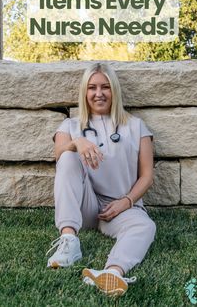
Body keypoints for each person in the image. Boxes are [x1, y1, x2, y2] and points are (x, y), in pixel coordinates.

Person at [46, 63, 156, 296]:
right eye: (92, 87)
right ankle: (68, 241)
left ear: (114, 90)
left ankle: (112, 272)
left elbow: (147, 176)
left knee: (145, 226)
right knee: (67, 157)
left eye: (105, 87)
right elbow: (59, 157)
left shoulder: (136, 126)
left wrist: (126, 201)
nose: (99, 93)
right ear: (84, 93)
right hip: (85, 205)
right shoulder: (70, 125)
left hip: (122, 207)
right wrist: (76, 143)